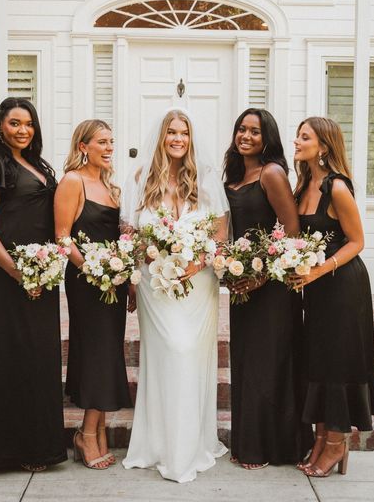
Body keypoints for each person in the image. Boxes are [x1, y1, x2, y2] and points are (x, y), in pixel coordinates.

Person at [121, 108, 230, 483]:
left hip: (198, 285)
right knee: (167, 355)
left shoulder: (207, 181)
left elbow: (220, 237)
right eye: (171, 132)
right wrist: (135, 280)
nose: (178, 139)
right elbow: (131, 235)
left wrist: (194, 266)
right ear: (161, 137)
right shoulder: (141, 179)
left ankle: (190, 444)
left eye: (184, 132)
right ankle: (159, 443)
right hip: (156, 286)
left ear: (191, 138)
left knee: (190, 355)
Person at [0, 97, 67, 471]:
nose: (23, 130)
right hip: (10, 278)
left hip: (43, 276)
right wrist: (16, 272)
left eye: (28, 123)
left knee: (40, 359)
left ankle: (41, 446)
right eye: (14, 123)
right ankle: (14, 450)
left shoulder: (38, 165)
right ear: (0, 126)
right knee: (15, 357)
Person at [290, 116, 374, 477]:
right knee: (319, 361)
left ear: (323, 147)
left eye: (304, 137)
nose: (296, 141)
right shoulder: (303, 185)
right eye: (297, 136)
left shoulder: (337, 188)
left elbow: (357, 242)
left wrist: (318, 269)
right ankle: (320, 437)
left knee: (339, 362)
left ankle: (336, 444)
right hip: (316, 291)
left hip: (343, 287)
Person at [223, 108, 314, 469]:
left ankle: (268, 447)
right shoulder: (235, 175)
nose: (246, 136)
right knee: (246, 362)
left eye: (255, 132)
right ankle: (248, 441)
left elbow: (291, 231)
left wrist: (261, 275)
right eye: (241, 129)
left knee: (268, 364)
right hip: (243, 284)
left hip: (273, 287)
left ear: (267, 138)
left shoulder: (272, 173)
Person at [54, 120, 132, 470]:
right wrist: (92, 269)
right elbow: (62, 236)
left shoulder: (110, 186)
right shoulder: (73, 181)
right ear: (83, 146)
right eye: (101, 141)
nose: (109, 147)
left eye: (111, 141)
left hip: (113, 282)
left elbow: (118, 239)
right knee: (97, 353)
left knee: (107, 352)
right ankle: (87, 434)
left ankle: (96, 431)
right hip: (87, 282)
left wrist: (125, 278)